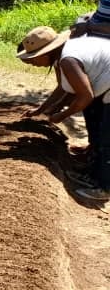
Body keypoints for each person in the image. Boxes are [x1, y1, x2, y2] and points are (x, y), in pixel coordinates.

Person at [17, 26, 110, 201]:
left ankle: (104, 188)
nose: (33, 63)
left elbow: (85, 95)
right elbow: (65, 89)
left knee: (107, 139)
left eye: (34, 59)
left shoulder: (67, 60)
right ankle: (94, 174)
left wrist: (62, 115)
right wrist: (41, 109)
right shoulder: (67, 54)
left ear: (46, 53)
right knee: (99, 131)